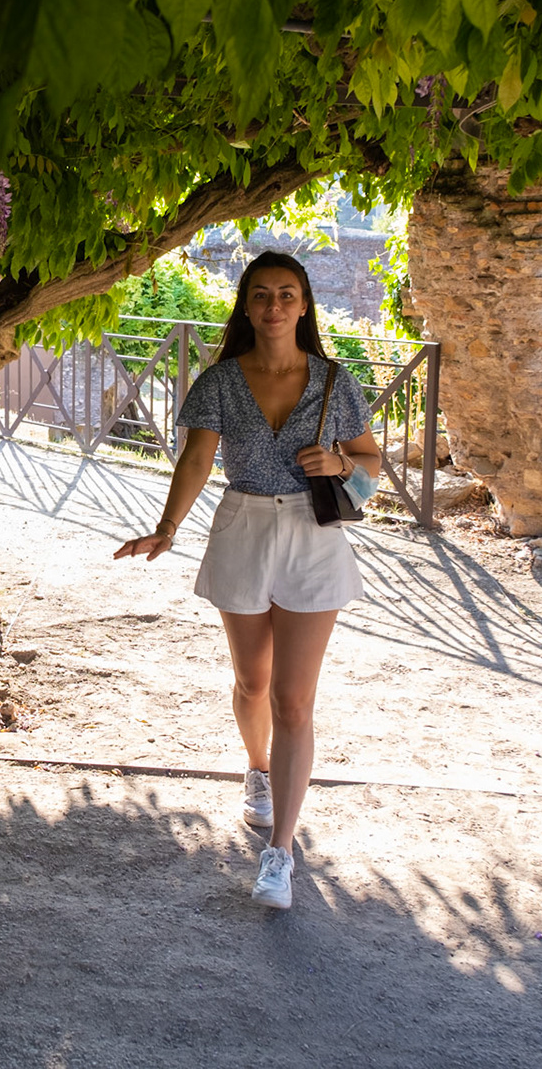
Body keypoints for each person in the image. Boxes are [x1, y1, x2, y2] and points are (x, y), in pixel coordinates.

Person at [114, 251, 382, 910]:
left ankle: (279, 852)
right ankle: (258, 769)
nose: (274, 306)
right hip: (243, 527)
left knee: (293, 702)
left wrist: (339, 462)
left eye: (287, 294)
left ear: (304, 304)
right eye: (261, 294)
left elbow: (370, 463)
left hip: (313, 536)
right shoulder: (221, 381)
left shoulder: (335, 380)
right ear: (246, 305)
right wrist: (167, 528)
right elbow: (197, 458)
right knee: (252, 682)